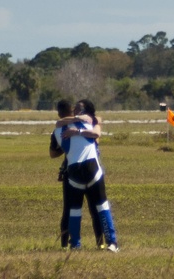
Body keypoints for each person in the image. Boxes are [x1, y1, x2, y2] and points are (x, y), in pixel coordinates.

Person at [54, 99, 119, 252]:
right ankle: (81, 244)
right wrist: (80, 122)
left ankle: (103, 243)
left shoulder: (62, 130)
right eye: (75, 109)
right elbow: (95, 131)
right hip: (85, 172)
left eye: (79, 110)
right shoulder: (86, 124)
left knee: (92, 208)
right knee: (88, 208)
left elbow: (96, 131)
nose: (76, 111)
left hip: (82, 173)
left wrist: (77, 130)